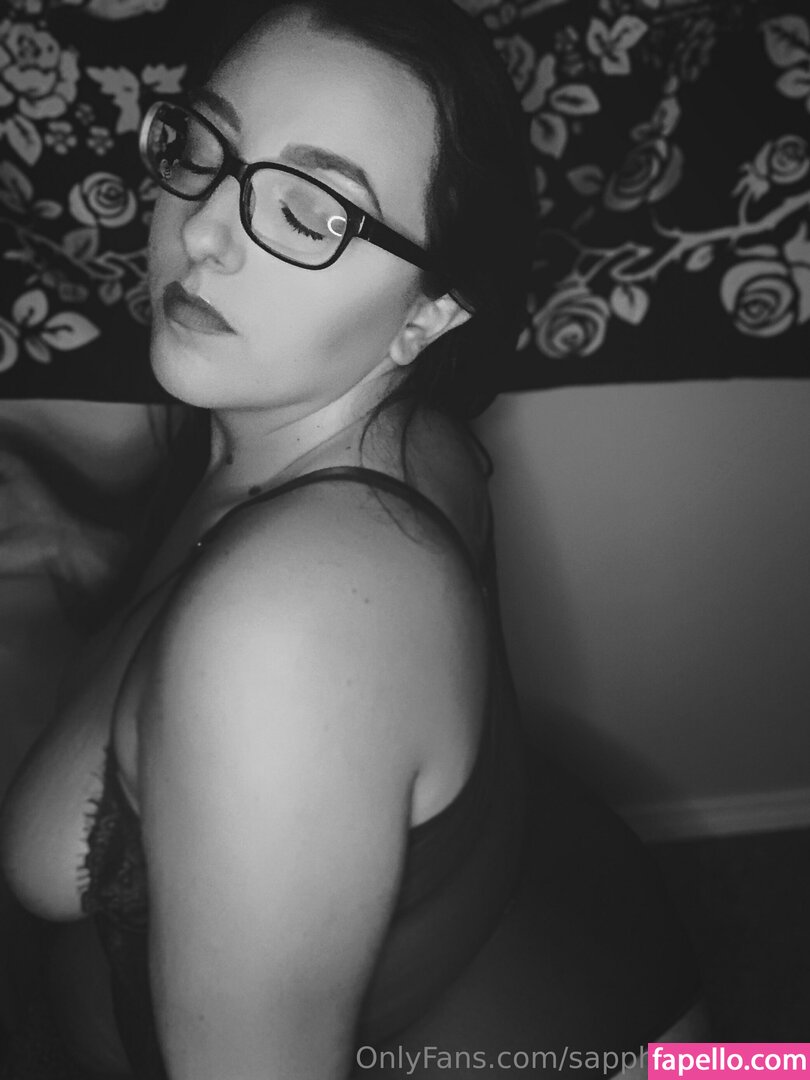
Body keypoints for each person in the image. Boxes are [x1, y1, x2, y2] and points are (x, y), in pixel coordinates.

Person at [0, 1, 706, 1077]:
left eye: (314, 210)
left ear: (427, 314)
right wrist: (77, 541)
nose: (204, 232)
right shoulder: (374, 433)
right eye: (206, 148)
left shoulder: (295, 625)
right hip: (586, 954)